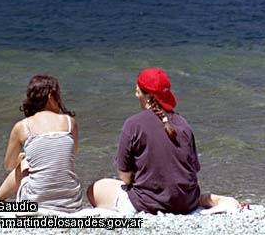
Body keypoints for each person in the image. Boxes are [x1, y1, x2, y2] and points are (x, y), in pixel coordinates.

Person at [87, 67, 240, 215]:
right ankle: (207, 199)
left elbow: (125, 177)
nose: (135, 94)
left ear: (147, 97)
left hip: (148, 204)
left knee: (94, 189)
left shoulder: (133, 124)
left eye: (138, 91)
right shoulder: (184, 124)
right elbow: (192, 170)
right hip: (186, 202)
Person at [0, 74, 82, 213]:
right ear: (51, 97)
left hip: (35, 203)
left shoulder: (22, 127)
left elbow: (9, 166)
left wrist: (21, 160)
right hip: (72, 203)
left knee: (25, 163)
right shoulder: (70, 123)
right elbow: (71, 156)